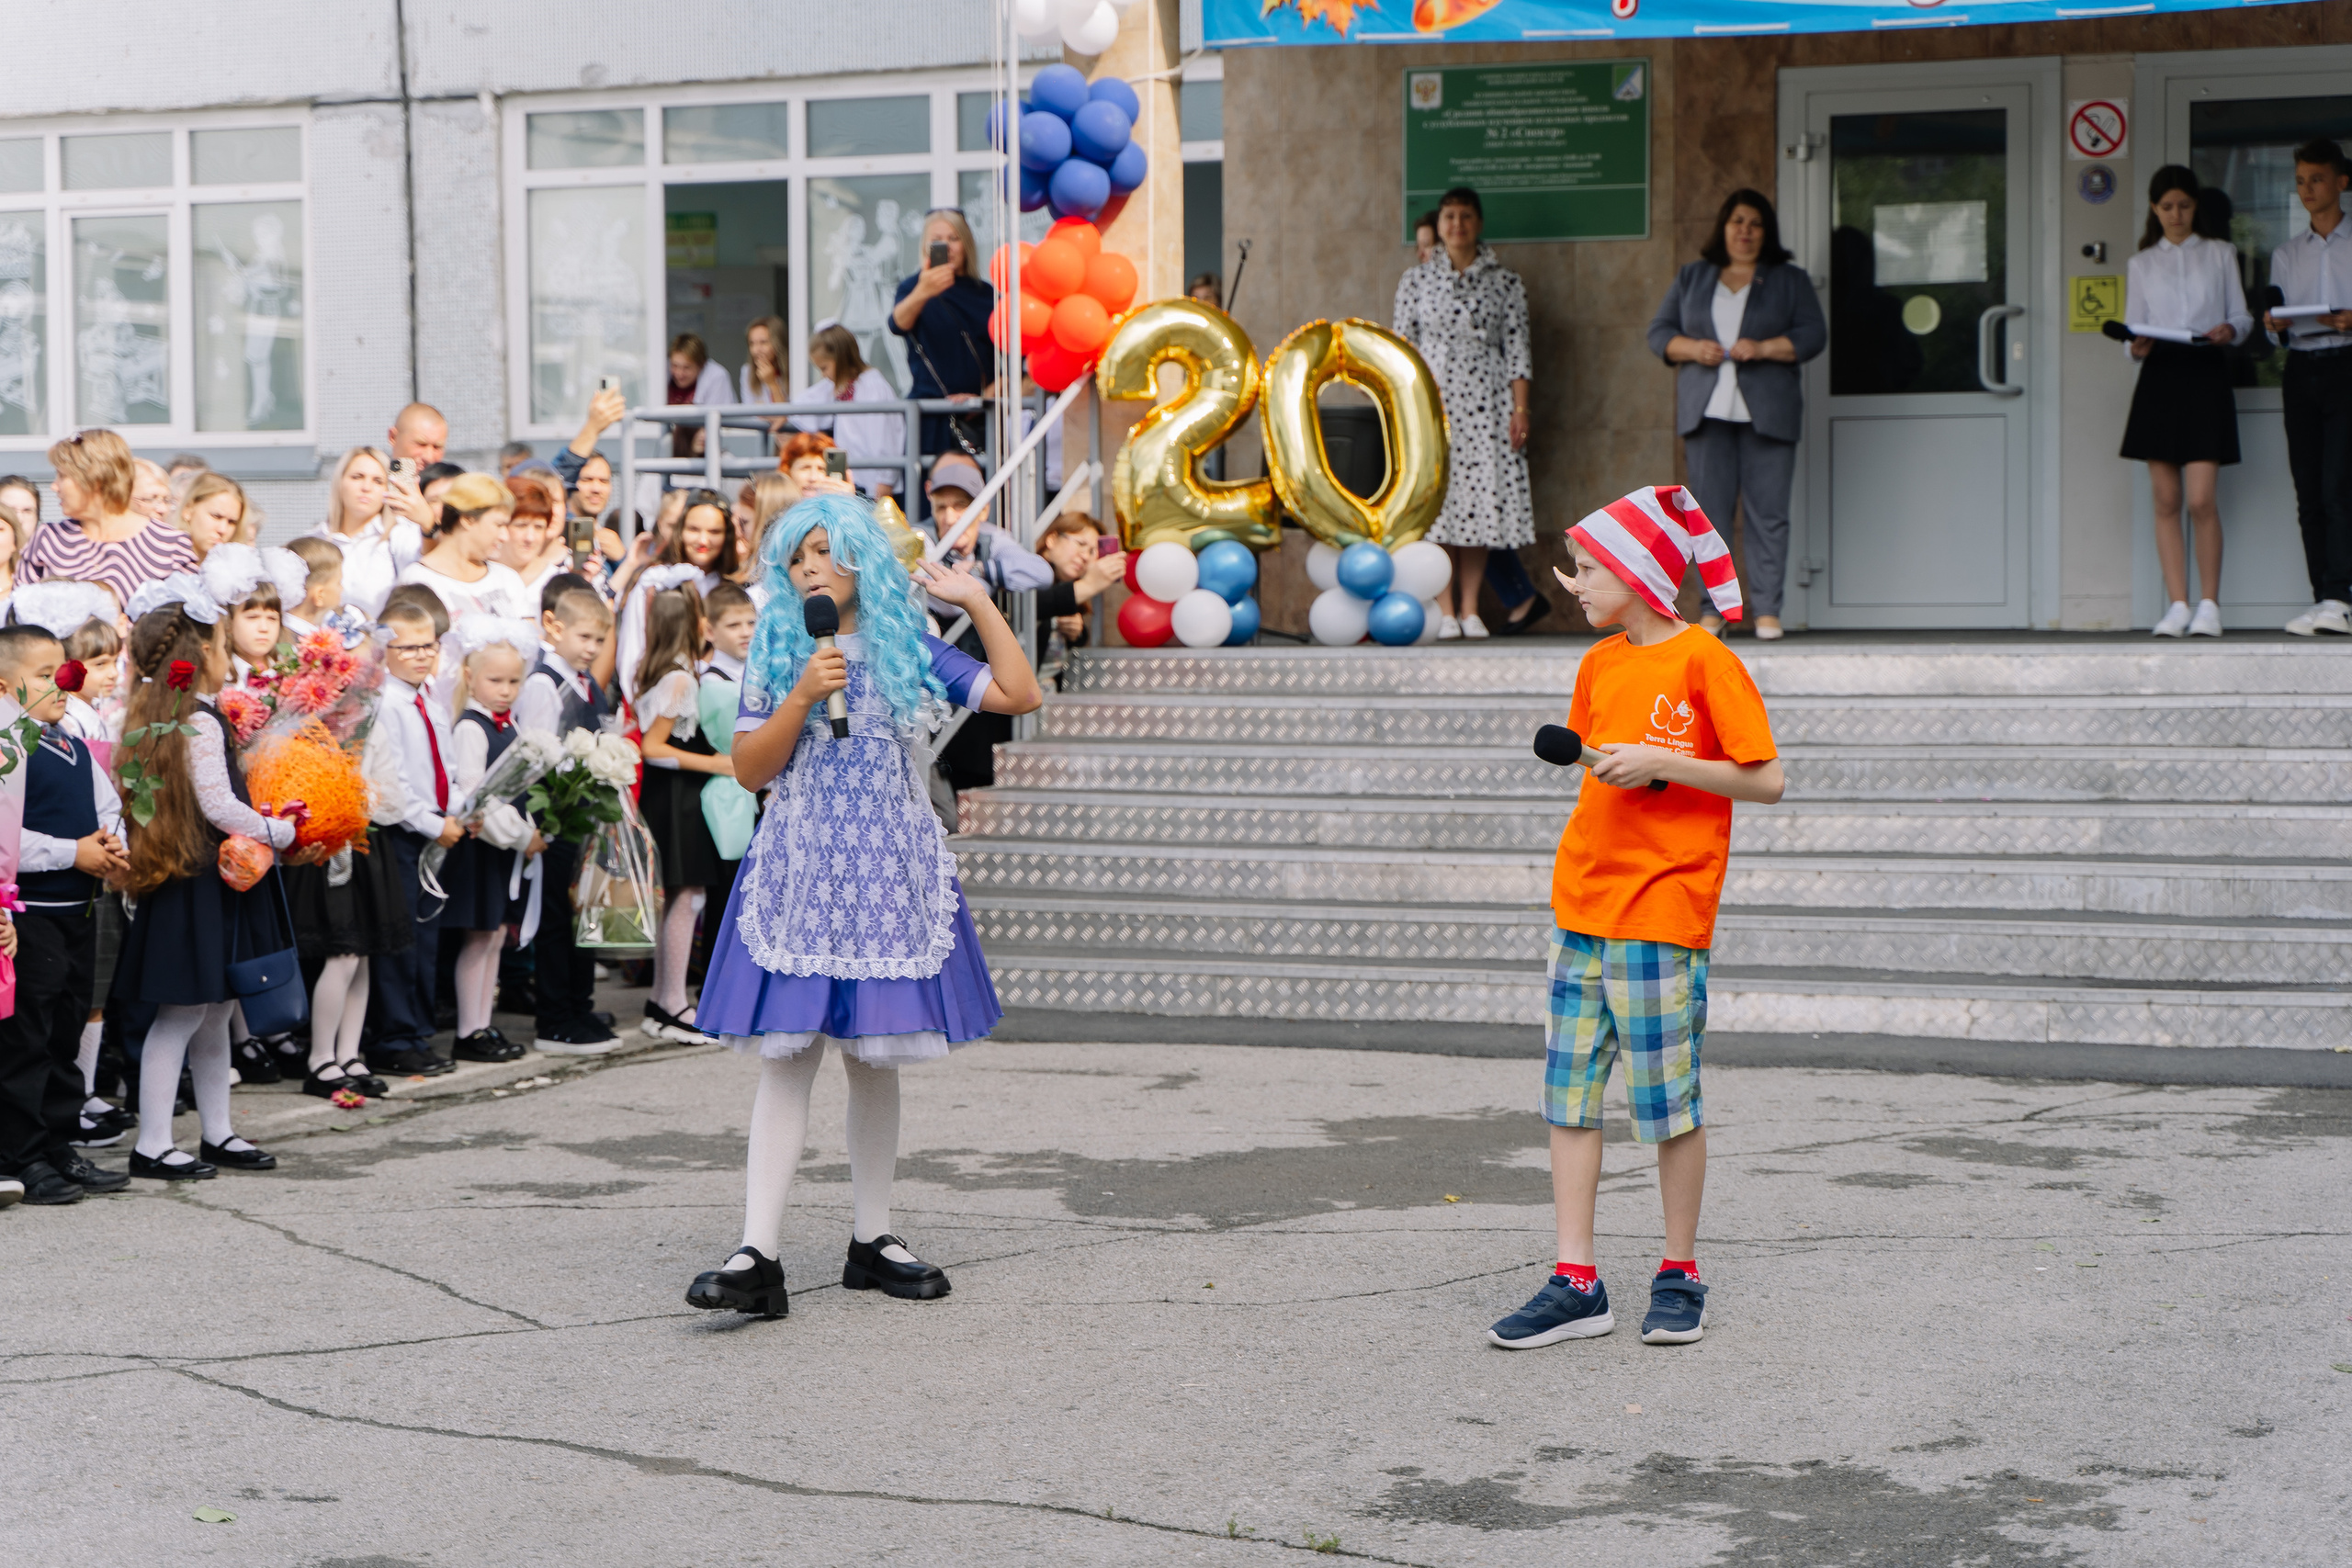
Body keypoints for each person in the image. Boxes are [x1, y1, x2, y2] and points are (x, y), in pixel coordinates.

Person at [684, 492, 1042, 1319]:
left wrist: (980, 601)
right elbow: (748, 769)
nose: (808, 567)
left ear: (858, 559)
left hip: (887, 870)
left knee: (876, 1055)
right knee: (787, 1057)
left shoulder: (905, 647)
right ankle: (757, 1251)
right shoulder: (779, 653)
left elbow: (1017, 694)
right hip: (805, 868)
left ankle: (872, 1238)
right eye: (796, 556)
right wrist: (803, 695)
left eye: (822, 551)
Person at [1486, 486, 1781, 1352]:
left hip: (1662, 909)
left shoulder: (1706, 662)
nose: (1572, 583)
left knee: (1665, 1102)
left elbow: (1765, 779)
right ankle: (1576, 1279)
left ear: (1643, 575)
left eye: (1586, 569)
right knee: (1568, 1095)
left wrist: (1668, 761)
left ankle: (1679, 1269)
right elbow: (1592, 761)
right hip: (1582, 901)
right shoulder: (1600, 663)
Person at [112, 590, 307, 1179]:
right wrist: (278, 831)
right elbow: (218, 804)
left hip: (207, 882)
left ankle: (218, 1132)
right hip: (194, 883)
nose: (228, 651)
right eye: (222, 642)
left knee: (218, 1009)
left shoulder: (173, 711)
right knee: (181, 1012)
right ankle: (151, 1143)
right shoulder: (195, 717)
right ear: (200, 652)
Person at [1647, 189, 1827, 642]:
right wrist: (1694, 348)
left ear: (1766, 233)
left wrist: (1765, 348)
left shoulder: (1789, 279)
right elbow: (1659, 333)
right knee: (1709, 520)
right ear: (1723, 228)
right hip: (1707, 415)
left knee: (1769, 515)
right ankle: (1715, 611)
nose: (1745, 231)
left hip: (1768, 413)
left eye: (1755, 224)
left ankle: (1767, 611)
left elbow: (1812, 335)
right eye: (1737, 221)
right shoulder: (1693, 276)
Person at [0, 625, 132, 1205]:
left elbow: (106, 804)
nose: (61, 682)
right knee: (26, 1040)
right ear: (4, 687)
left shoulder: (71, 742)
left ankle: (58, 1144)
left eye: (62, 669)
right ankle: (21, 1157)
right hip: (30, 914)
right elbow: (7, 838)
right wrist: (70, 851)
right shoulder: (9, 747)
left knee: (65, 1031)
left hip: (79, 908)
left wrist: (113, 844)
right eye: (41, 674)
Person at [1393, 187, 1538, 640]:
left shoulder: (1505, 281)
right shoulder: (1414, 281)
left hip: (1487, 404)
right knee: (1439, 509)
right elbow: (1399, 348)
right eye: (1449, 216)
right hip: (1432, 405)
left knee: (1477, 507)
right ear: (1438, 225)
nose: (1457, 224)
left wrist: (1520, 407)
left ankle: (1471, 608)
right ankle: (1445, 610)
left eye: (1466, 216)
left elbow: (1518, 348)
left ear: (1478, 222)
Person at [2123, 166, 2250, 639]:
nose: (2176, 215)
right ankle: (2177, 605)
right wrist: (2133, 347)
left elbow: (2241, 314)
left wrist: (2230, 330)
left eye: (2185, 205)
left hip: (2204, 370)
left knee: (2200, 498)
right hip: (2160, 375)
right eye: (2167, 207)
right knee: (2166, 499)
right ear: (2155, 210)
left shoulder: (2220, 254)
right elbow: (2132, 326)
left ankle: (2209, 605)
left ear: (2196, 207)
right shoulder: (2141, 264)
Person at [514, 586, 621, 1056]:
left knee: (585, 913)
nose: (593, 649)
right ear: (553, 627)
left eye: (600, 641)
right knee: (559, 917)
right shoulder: (543, 683)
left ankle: (580, 1003)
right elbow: (539, 753)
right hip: (556, 815)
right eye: (585, 637)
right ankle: (555, 1017)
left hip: (585, 814)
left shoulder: (583, 679)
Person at [365, 595, 467, 1080]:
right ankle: (394, 1037)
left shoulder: (429, 696)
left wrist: (461, 808)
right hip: (406, 833)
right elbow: (392, 784)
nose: (422, 656)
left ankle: (418, 1032)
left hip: (438, 826)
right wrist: (433, 824)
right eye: (408, 648)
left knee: (426, 937)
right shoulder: (386, 704)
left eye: (430, 645)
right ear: (386, 649)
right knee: (403, 937)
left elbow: (443, 765)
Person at [633, 582, 735, 1043]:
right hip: (675, 795)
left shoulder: (656, 671)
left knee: (681, 896)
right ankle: (673, 1002)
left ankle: (663, 1000)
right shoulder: (679, 678)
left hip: (671, 794)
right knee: (685, 895)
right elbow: (654, 747)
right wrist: (716, 762)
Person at [439, 616, 541, 1065]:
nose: (506, 689)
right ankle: (469, 1029)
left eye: (514, 681)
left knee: (497, 935)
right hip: (483, 849)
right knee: (480, 938)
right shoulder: (471, 727)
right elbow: (475, 796)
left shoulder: (509, 725)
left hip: (505, 850)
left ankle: (483, 1021)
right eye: (495, 680)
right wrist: (522, 837)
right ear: (470, 676)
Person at [2265, 139, 2352, 637]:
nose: (2306, 190)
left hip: (2346, 363)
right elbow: (2275, 327)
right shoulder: (2286, 253)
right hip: (2300, 367)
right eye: (2299, 181)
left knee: (2340, 486)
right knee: (2309, 493)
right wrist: (2272, 326)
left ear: (2341, 182)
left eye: (2316, 179)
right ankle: (2323, 597)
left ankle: (2341, 595)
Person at [22, 430, 198, 606]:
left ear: (95, 479)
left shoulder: (170, 544)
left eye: (62, 476)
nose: (54, 486)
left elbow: (192, 622)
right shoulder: (47, 539)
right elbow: (19, 616)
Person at [888, 208, 993, 473]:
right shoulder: (913, 287)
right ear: (926, 245)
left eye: (954, 238)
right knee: (925, 498)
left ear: (966, 244)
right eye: (938, 239)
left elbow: (1011, 357)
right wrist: (924, 291)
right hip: (930, 416)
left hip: (978, 419)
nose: (946, 246)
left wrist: (984, 397)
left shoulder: (984, 294)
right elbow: (897, 323)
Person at [397, 472, 533, 627]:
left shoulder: (507, 578)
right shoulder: (419, 579)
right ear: (468, 520)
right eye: (499, 525)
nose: (504, 536)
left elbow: (532, 641)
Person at [310, 446, 427, 618]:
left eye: (378, 481)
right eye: (357, 477)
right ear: (339, 482)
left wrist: (427, 522)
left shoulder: (400, 537)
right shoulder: (314, 540)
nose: (366, 487)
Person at [797, 322, 905, 497]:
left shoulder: (874, 389)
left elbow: (885, 442)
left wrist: (884, 486)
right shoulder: (839, 386)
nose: (824, 375)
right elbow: (802, 405)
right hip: (851, 482)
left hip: (874, 488)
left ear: (840, 359)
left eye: (824, 368)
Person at [1033, 511, 1127, 662]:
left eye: (1092, 552)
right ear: (1052, 539)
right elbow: (1033, 605)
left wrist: (1076, 632)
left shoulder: (1066, 587)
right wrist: (1089, 585)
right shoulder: (1027, 573)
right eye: (1081, 544)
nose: (1085, 556)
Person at [500, 480, 573, 605]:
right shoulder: (481, 576)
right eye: (521, 525)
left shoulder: (560, 583)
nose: (530, 538)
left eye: (539, 527)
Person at [666, 333, 735, 461]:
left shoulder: (716, 377)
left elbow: (714, 425)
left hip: (701, 454)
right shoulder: (664, 376)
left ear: (701, 365)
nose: (679, 374)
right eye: (675, 366)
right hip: (675, 449)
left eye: (686, 368)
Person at [279, 536, 345, 640]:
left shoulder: (276, 633)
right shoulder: (300, 647)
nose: (342, 589)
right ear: (320, 595)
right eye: (338, 583)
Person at [174, 473, 248, 564]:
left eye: (231, 522)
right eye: (216, 516)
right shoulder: (163, 561)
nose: (222, 530)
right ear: (188, 510)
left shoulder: (239, 569)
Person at [388, 401, 449, 468]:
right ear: (393, 437)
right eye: (421, 444)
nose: (429, 458)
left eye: (437, 447)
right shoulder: (376, 476)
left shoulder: (456, 478)